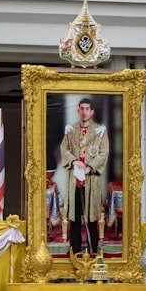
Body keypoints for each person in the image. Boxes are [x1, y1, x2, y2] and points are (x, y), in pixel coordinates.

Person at [59, 98, 109, 254]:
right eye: (81, 108)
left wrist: (90, 167)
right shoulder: (71, 130)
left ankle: (92, 247)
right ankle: (75, 248)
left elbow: (104, 153)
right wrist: (74, 162)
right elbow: (64, 149)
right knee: (74, 217)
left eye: (87, 108)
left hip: (91, 179)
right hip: (75, 179)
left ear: (92, 111)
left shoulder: (100, 131)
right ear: (78, 111)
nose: (84, 111)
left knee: (91, 216)